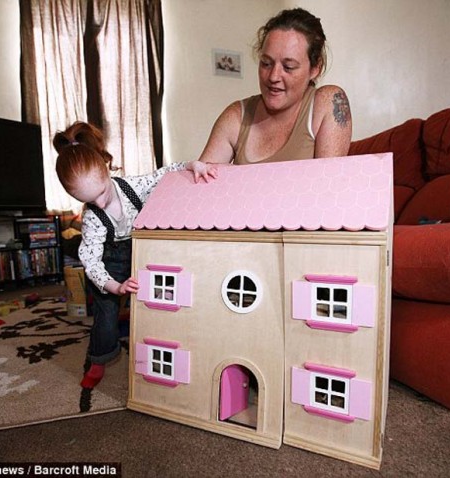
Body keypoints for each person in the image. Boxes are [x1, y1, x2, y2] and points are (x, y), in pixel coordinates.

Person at [53, 121, 217, 389]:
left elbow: (165, 173)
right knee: (105, 314)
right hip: (108, 266)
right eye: (89, 200)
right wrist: (114, 287)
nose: (99, 203)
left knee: (159, 298)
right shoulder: (92, 219)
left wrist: (193, 165)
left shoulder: (132, 186)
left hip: (141, 251)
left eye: (102, 192)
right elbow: (91, 261)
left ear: (106, 168)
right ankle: (98, 359)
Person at [199, 7, 352, 165]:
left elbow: (330, 178)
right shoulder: (236, 116)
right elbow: (203, 177)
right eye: (266, 63)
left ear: (315, 69)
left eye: (288, 67)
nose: (273, 77)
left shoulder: (328, 102)